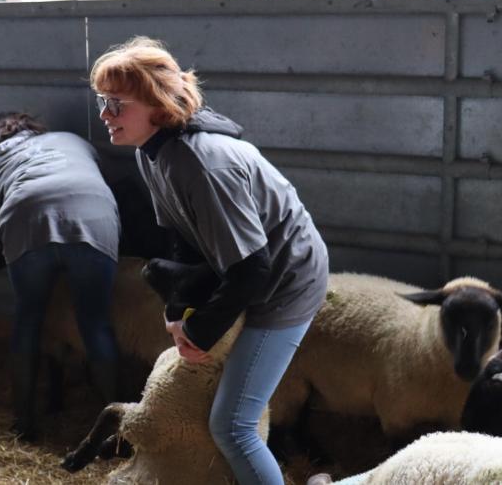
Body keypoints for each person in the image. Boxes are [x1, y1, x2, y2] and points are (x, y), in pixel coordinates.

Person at [90, 37, 330, 485]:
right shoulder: (153, 152)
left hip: (284, 282)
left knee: (233, 426)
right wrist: (179, 311)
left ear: (157, 105)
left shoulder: (203, 163)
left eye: (116, 104)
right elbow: (184, 241)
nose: (104, 114)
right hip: (244, 267)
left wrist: (199, 333)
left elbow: (253, 268)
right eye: (103, 102)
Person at [0, 112, 121, 441]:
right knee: (95, 323)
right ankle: (116, 425)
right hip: (93, 218)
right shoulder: (73, 140)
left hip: (27, 221)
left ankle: (25, 421)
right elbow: (109, 180)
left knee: (28, 319)